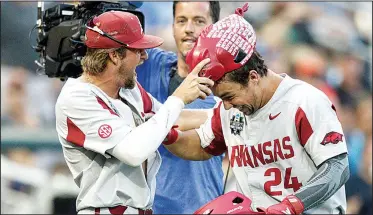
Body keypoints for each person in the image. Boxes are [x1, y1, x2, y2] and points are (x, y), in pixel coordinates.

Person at [163, 3, 350, 214]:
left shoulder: (304, 101)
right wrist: (165, 135)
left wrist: (291, 206)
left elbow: (337, 168)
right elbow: (201, 146)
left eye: (229, 96)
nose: (225, 105)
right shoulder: (230, 110)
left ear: (253, 77)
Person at [55, 11, 214, 214]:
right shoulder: (76, 97)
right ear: (114, 55)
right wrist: (178, 98)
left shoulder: (128, 88)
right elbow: (132, 152)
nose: (145, 56)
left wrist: (228, 115)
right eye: (138, 50)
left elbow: (173, 118)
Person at [135, 2, 225, 214]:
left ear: (216, 28)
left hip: (201, 208)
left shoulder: (226, 88)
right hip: (146, 209)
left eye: (199, 21)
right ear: (173, 26)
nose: (189, 29)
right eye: (181, 21)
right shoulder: (151, 64)